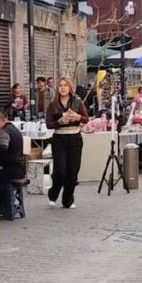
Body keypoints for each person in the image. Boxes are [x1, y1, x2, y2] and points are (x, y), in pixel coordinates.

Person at [45, 77, 89, 209]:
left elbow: (86, 118)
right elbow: (48, 124)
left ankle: (67, 199)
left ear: (70, 88)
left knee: (73, 171)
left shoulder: (77, 102)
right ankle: (53, 192)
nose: (63, 88)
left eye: (65, 85)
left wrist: (78, 117)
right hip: (59, 139)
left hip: (75, 137)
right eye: (60, 86)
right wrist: (59, 121)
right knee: (60, 170)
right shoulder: (53, 105)